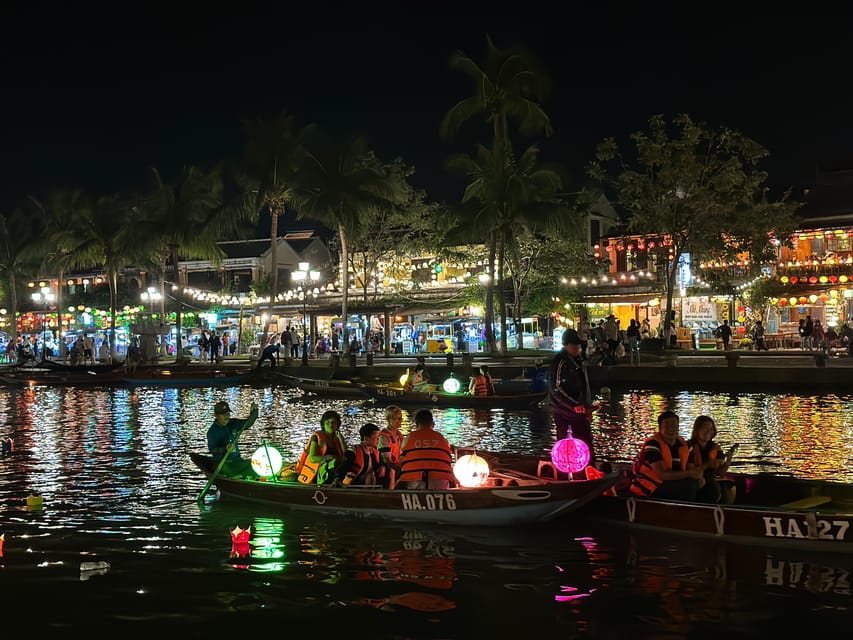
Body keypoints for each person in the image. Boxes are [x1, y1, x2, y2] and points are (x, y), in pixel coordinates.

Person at [629, 410, 703, 500]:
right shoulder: (653, 444)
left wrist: (698, 477)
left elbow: (691, 468)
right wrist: (689, 474)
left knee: (707, 485)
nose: (671, 428)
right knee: (689, 486)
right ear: (660, 428)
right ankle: (686, 512)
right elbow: (662, 475)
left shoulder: (686, 445)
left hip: (676, 480)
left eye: (674, 425)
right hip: (652, 485)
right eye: (667, 425)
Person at [549, 328, 595, 467]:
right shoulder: (560, 362)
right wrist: (573, 405)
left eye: (578, 345)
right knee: (565, 445)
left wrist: (587, 406)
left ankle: (590, 470)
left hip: (580, 412)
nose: (577, 348)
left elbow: (584, 385)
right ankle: (566, 474)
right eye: (574, 345)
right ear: (566, 345)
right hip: (564, 412)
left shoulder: (578, 361)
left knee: (586, 442)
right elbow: (556, 388)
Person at [398, 408, 454, 490]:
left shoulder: (408, 438)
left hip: (414, 479)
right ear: (433, 424)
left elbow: (401, 461)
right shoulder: (442, 439)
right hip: (440, 480)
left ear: (416, 424)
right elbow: (448, 459)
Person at [687, 415, 736, 504]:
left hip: (712, 478)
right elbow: (690, 471)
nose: (708, 431)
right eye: (705, 428)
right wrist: (708, 465)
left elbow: (720, 474)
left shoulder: (716, 448)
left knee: (731, 487)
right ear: (697, 429)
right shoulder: (688, 447)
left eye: (711, 429)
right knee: (714, 489)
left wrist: (728, 460)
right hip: (696, 480)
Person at [206, 400, 259, 478]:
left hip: (237, 461)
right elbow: (212, 449)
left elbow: (248, 423)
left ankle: (240, 476)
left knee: (257, 463)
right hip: (223, 463)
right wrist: (225, 449)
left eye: (228, 413)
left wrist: (254, 412)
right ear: (216, 415)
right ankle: (240, 476)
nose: (227, 416)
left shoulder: (233, 423)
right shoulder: (212, 432)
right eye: (223, 414)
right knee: (225, 470)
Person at [294, 410, 348, 485]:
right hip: (319, 471)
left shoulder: (337, 437)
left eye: (333, 422)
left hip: (335, 470)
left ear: (337, 424)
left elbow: (347, 455)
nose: (330, 425)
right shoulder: (317, 437)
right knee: (335, 463)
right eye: (327, 423)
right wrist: (328, 457)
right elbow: (313, 458)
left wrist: (341, 439)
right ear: (323, 424)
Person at [378, 405, 404, 488]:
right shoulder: (383, 436)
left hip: (398, 467)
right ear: (388, 419)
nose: (400, 420)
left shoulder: (399, 436)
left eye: (401, 418)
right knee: (391, 472)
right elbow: (386, 460)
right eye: (397, 418)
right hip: (387, 469)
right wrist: (400, 470)